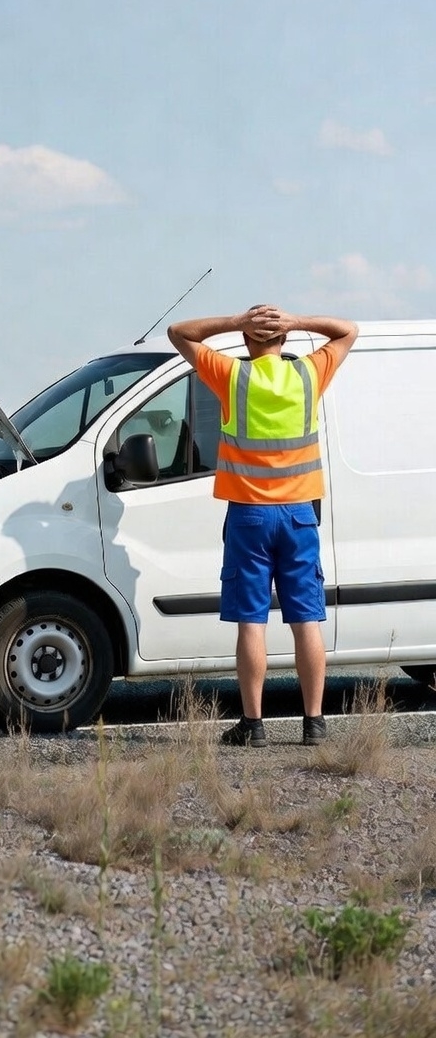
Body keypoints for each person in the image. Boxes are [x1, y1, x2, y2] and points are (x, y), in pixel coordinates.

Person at [167, 305, 359, 747]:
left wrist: (236, 322)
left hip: (249, 515)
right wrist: (297, 321)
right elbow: (348, 330)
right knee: (306, 619)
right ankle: (314, 723)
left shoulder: (233, 377)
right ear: (284, 340)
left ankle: (253, 726)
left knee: (251, 621)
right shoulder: (309, 375)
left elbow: (180, 331)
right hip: (298, 515)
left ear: (248, 342)